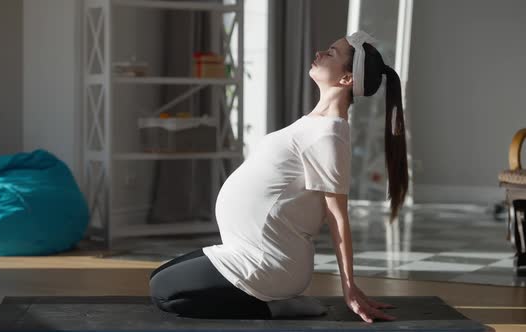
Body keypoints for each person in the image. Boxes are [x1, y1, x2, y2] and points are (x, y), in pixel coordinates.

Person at [149, 30, 408, 323]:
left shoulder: (330, 134)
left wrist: (349, 287)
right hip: (245, 249)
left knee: (164, 293)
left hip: (270, 263)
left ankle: (276, 307)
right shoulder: (316, 124)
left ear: (346, 79)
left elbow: (337, 217)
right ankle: (274, 297)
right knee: (159, 277)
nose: (319, 54)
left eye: (331, 53)